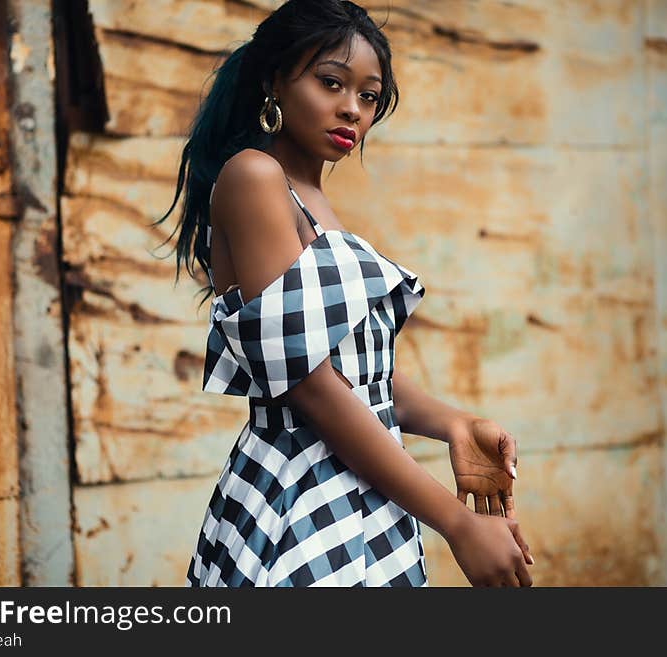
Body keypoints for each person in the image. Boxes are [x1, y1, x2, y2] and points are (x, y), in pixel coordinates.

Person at [155, 0, 535, 587]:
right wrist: (456, 523)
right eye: (331, 83)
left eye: (369, 96)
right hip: (301, 493)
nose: (351, 109)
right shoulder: (254, 177)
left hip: (364, 493)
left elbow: (357, 372)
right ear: (273, 81)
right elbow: (310, 386)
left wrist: (455, 423)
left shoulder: (311, 196)